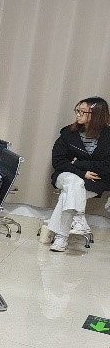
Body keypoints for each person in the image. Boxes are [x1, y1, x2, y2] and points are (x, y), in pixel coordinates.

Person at [47, 97, 110, 253]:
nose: (78, 114)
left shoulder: (108, 136)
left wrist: (78, 163)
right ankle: (79, 217)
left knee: (68, 194)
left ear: (96, 115)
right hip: (65, 176)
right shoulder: (69, 133)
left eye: (83, 112)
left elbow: (107, 165)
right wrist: (81, 172)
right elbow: (58, 161)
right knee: (73, 182)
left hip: (95, 181)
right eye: (77, 110)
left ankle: (61, 238)